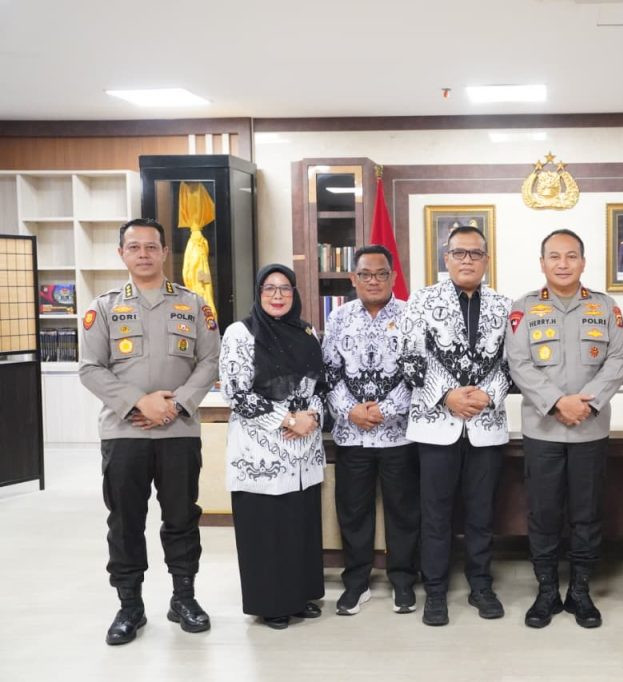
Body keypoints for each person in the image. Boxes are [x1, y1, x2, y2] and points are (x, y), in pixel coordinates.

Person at [79, 218, 220, 645]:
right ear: (121, 253)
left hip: (179, 430)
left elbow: (210, 361)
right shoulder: (104, 308)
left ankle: (184, 599)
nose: (143, 254)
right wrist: (140, 403)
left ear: (164, 252)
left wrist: (174, 405)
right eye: (134, 246)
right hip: (125, 433)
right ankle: (130, 606)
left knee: (181, 518)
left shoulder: (194, 305)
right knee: (125, 522)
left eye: (151, 246)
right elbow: (90, 368)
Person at [506, 229, 623, 629]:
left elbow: (618, 360)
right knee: (543, 514)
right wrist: (558, 402)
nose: (563, 264)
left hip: (589, 430)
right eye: (555, 257)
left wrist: (587, 403)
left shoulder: (605, 307)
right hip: (542, 429)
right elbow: (518, 362)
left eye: (571, 256)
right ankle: (546, 591)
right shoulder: (524, 308)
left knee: (587, 514)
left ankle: (580, 590)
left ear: (583, 262)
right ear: (542, 263)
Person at [399, 225, 512, 627]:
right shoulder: (422, 300)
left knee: (482, 512)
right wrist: (446, 395)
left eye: (475, 253)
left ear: (486, 260)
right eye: (459, 253)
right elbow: (410, 358)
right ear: (446, 258)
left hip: (486, 423)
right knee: (436, 513)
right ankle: (435, 591)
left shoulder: (504, 305)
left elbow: (512, 363)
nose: (467, 260)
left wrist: (488, 395)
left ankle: (481, 585)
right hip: (435, 425)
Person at [219, 264, 326, 630]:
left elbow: (320, 385)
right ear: (258, 293)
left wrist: (312, 416)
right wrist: (288, 420)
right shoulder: (241, 333)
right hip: (261, 451)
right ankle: (272, 604)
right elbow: (236, 393)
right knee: (266, 530)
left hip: (303, 452)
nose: (278, 295)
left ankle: (300, 596)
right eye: (269, 288)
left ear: (294, 293)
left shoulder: (306, 332)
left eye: (285, 288)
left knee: (298, 527)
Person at [322, 245, 419, 616]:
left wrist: (384, 410)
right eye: (365, 274)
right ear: (354, 278)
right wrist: (351, 410)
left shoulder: (411, 316)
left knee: (403, 511)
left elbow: (416, 373)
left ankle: (403, 581)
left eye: (381, 274)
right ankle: (356, 582)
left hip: (399, 435)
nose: (373, 281)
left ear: (393, 277)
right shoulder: (339, 318)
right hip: (353, 435)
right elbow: (329, 373)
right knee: (353, 510)